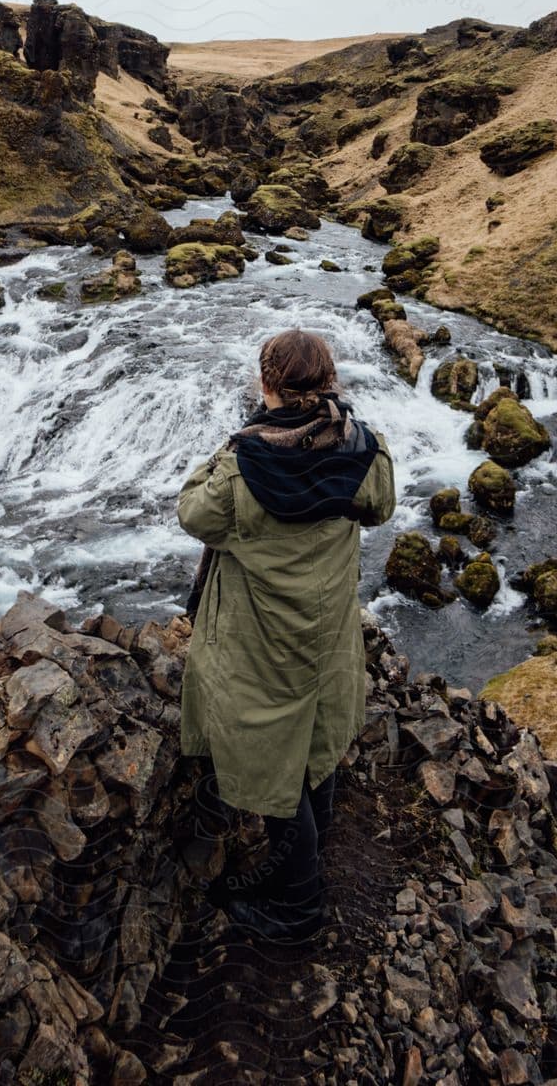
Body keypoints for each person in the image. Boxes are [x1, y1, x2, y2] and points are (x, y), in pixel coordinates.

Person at [177, 327, 396, 940]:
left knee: (275, 763)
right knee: (316, 746)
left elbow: (193, 511)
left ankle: (298, 908)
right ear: (329, 382)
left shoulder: (245, 466)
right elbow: (382, 502)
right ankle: (307, 855)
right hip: (326, 634)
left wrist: (239, 441)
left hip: (262, 643)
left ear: (266, 385)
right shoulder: (359, 449)